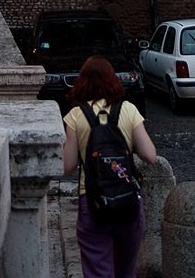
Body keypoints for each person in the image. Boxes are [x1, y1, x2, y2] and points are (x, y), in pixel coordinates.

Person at [63, 56, 157, 278]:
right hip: (127, 201)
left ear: (83, 81)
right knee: (126, 271)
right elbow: (150, 155)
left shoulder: (76, 116)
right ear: (113, 80)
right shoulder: (129, 110)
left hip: (93, 203)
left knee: (97, 271)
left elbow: (68, 166)